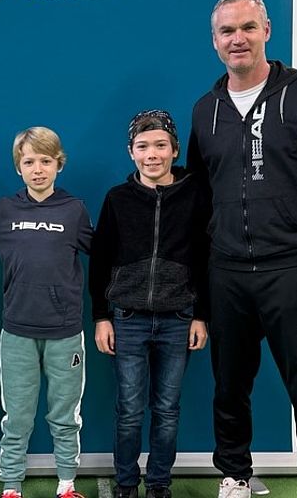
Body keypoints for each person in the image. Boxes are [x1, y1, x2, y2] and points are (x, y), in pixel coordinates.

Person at [186, 0, 297, 498]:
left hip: (295, 272)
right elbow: (199, 199)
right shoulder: (205, 110)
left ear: (266, 31)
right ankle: (235, 475)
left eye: (247, 28)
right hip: (227, 275)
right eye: (227, 31)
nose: (238, 38)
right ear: (215, 41)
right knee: (230, 390)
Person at [88, 110, 211, 498]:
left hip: (179, 319)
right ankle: (126, 484)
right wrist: (101, 316)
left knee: (167, 409)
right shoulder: (117, 199)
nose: (152, 154)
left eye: (160, 145)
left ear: (175, 149)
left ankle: (159, 483)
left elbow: (205, 259)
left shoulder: (196, 195)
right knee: (128, 410)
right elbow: (100, 260)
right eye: (142, 146)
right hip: (127, 319)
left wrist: (201, 316)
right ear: (131, 152)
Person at [0, 127, 93, 498]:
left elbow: (105, 253)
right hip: (17, 333)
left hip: (65, 333)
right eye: (29, 162)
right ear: (18, 168)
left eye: (45, 161)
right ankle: (11, 485)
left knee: (65, 416)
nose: (37, 169)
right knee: (17, 416)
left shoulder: (74, 210)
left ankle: (67, 483)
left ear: (59, 164)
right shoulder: (5, 211)